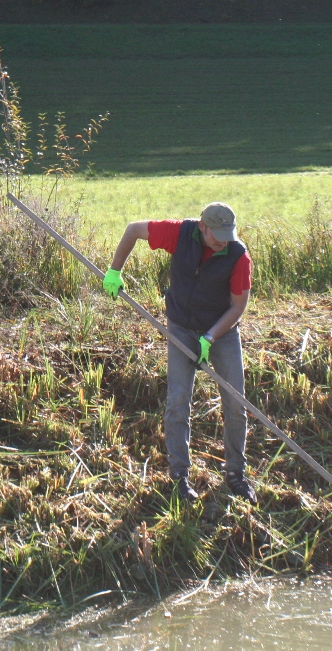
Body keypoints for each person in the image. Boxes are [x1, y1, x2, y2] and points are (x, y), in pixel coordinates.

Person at [103, 202, 257, 504]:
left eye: (228, 234)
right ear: (203, 226)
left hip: (221, 331)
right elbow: (134, 229)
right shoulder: (181, 233)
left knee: (236, 403)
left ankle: (235, 474)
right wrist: (114, 270)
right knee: (177, 401)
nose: (223, 241)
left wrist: (210, 338)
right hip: (182, 327)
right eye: (217, 234)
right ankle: (180, 476)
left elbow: (238, 307)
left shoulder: (238, 256)